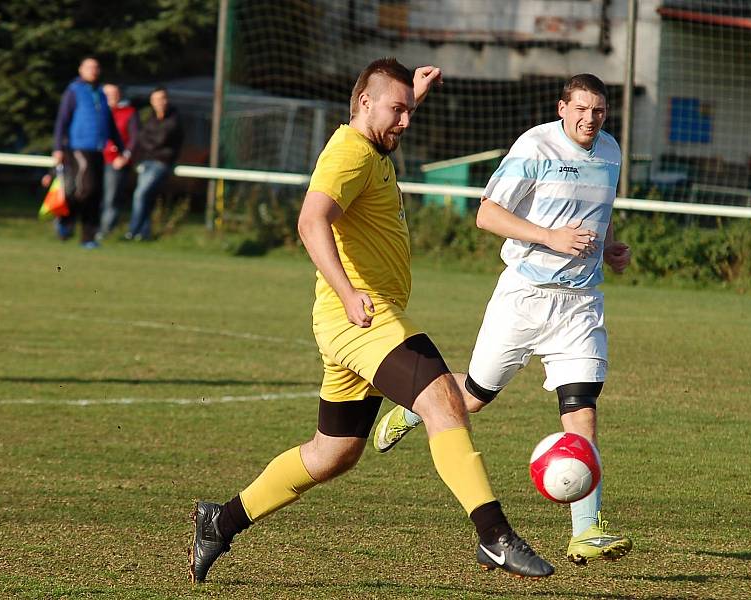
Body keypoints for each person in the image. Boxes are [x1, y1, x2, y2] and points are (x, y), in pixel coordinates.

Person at [189, 57, 555, 584]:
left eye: (409, 111)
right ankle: (495, 537)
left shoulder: (372, 143)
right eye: (397, 111)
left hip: (354, 323)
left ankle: (218, 522)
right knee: (443, 399)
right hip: (362, 318)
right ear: (364, 103)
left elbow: (384, 115)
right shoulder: (349, 153)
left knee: (333, 453)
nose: (405, 121)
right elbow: (310, 220)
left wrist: (411, 94)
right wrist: (348, 291)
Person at [372, 73, 634, 566]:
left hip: (580, 305)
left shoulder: (611, 150)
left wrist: (611, 245)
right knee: (471, 398)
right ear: (562, 108)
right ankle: (415, 406)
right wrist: (551, 238)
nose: (589, 119)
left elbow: (599, 210)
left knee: (581, 412)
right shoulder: (534, 146)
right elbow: (487, 214)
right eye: (580, 109)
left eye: (598, 111)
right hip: (524, 296)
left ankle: (586, 531)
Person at [52, 57, 128, 247]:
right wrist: (58, 147)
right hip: (78, 147)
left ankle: (88, 237)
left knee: (95, 194)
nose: (93, 71)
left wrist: (120, 148)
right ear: (81, 69)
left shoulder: (101, 93)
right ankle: (65, 220)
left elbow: (109, 123)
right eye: (89, 67)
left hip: (97, 149)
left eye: (96, 67)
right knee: (86, 189)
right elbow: (62, 119)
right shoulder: (74, 91)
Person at [125, 86, 183, 241]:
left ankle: (132, 230)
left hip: (161, 162)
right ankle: (144, 233)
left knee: (140, 194)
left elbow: (160, 139)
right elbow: (140, 137)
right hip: (146, 161)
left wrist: (148, 143)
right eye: (156, 99)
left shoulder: (174, 118)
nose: (160, 102)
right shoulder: (150, 118)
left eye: (162, 98)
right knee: (146, 197)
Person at [99, 84, 139, 237]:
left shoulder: (128, 113)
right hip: (97, 159)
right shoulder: (98, 112)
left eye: (114, 94)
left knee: (111, 198)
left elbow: (134, 138)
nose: (111, 97)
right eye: (108, 94)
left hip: (115, 162)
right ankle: (90, 227)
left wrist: (125, 156)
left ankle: (105, 231)